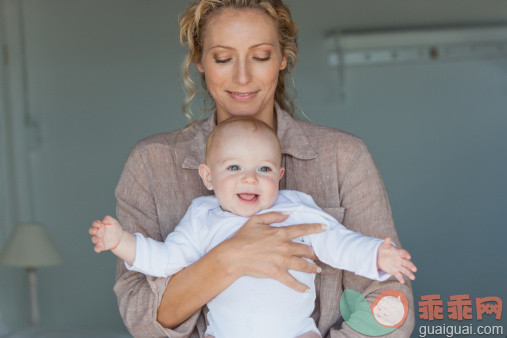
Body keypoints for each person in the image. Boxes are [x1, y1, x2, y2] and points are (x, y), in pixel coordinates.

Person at [110, 0, 416, 336]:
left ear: (283, 58)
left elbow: (388, 298)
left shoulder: (344, 157)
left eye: (261, 56)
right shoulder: (151, 163)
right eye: (223, 58)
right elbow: (140, 315)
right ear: (199, 60)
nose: (242, 77)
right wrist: (230, 257)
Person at [90, 117, 417, 338]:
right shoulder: (203, 218)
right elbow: (165, 259)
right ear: (207, 176)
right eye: (234, 167)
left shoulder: (295, 209)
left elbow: (339, 243)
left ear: (278, 176)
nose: (250, 177)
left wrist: (377, 255)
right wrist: (122, 242)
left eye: (263, 168)